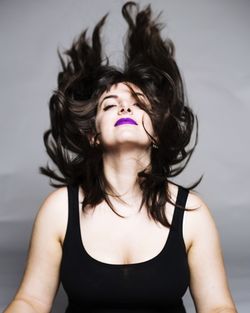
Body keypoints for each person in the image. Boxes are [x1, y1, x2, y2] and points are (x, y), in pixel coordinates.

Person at [4, 2, 238, 313]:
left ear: (157, 129)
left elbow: (217, 306)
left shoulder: (192, 212)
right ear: (94, 135)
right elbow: (31, 302)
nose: (125, 108)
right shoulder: (59, 210)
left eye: (138, 104)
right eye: (110, 105)